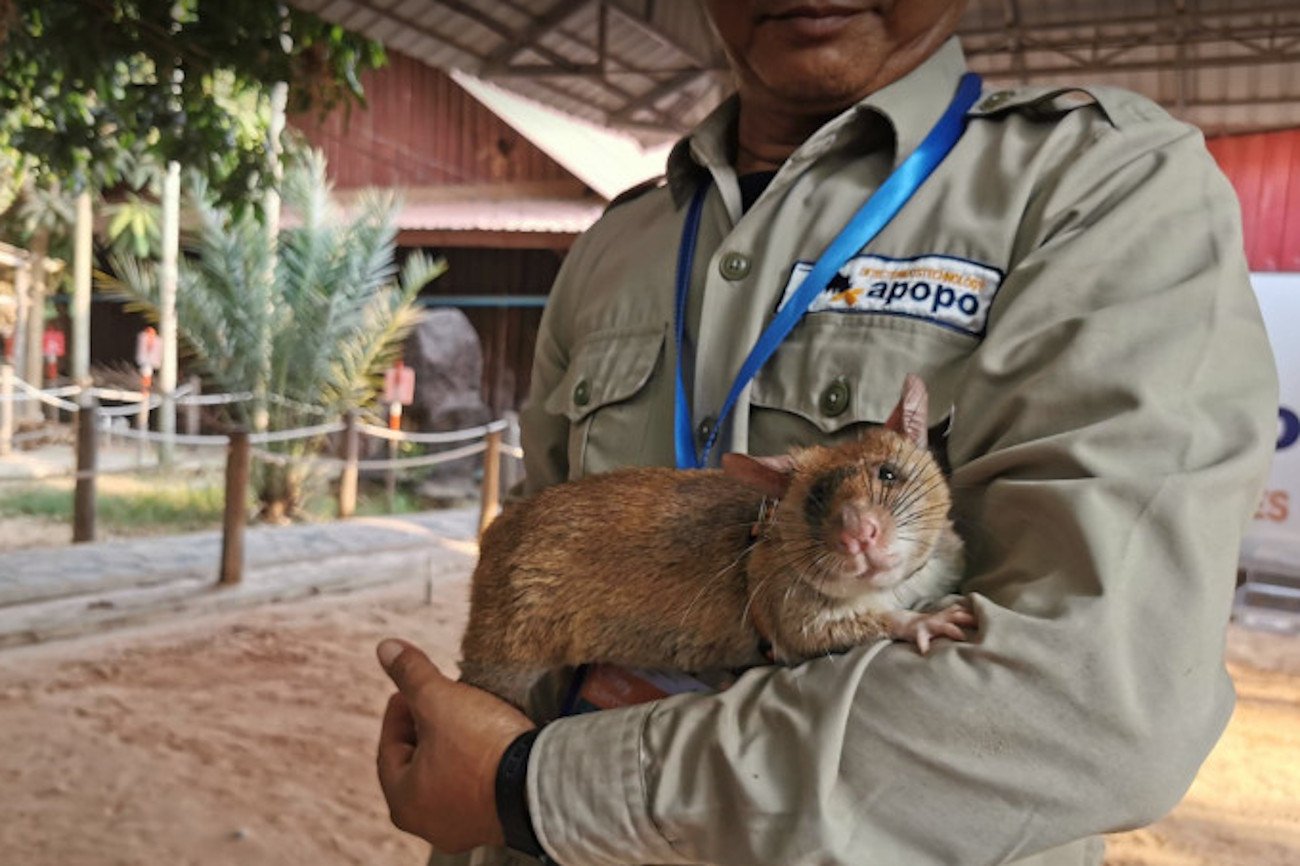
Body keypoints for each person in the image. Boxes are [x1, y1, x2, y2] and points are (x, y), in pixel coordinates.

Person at [375, 1, 1279, 864]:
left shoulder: (1098, 187)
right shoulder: (621, 241)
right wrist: (486, 801)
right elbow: (536, 565)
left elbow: (1096, 704)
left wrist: (535, 791)